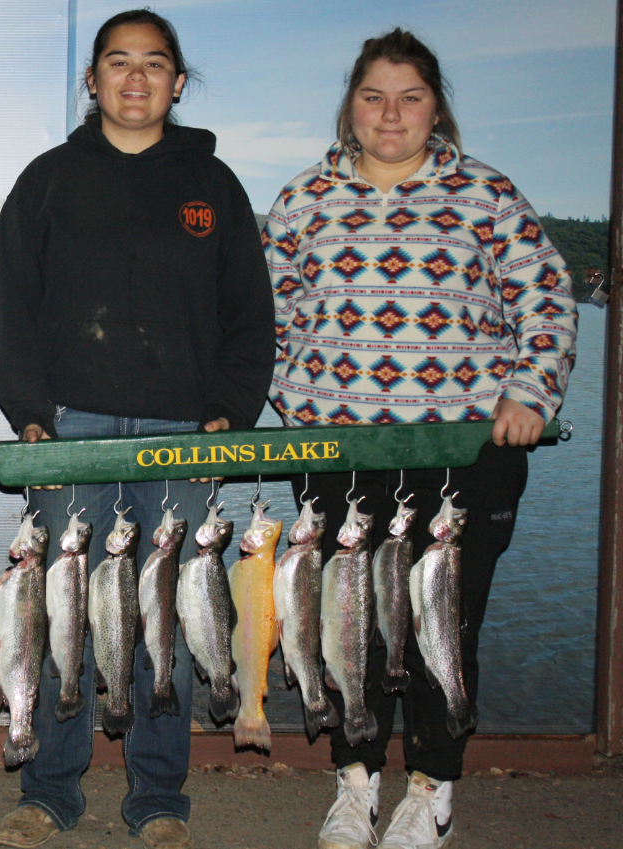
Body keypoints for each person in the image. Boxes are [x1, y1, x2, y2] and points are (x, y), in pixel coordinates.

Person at [262, 29, 577, 849]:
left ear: (436, 106)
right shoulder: (303, 200)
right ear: (350, 105)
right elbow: (263, 320)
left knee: (444, 626)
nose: (390, 113)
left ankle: (431, 791)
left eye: (409, 97)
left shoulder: (485, 192)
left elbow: (545, 294)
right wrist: (294, 401)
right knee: (347, 628)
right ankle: (356, 783)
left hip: (466, 454)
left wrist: (528, 392)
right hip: (337, 456)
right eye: (373, 96)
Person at [0, 10, 276, 849]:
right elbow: (13, 309)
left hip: (185, 429)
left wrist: (230, 408)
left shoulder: (214, 186)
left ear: (178, 83)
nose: (137, 78)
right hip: (69, 427)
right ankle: (48, 791)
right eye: (119, 62)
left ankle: (158, 797)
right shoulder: (45, 180)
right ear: (93, 80)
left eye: (155, 64)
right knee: (62, 614)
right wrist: (32, 414)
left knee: (175, 618)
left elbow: (248, 317)